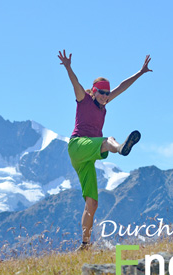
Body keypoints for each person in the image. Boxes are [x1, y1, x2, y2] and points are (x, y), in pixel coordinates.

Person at [57, 50, 152, 251]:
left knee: (92, 202)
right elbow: (75, 84)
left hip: (86, 157)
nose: (105, 96)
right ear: (93, 91)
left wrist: (140, 72)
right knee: (108, 140)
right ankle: (120, 148)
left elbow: (122, 87)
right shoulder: (84, 99)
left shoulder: (104, 103)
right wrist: (68, 67)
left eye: (107, 94)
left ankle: (84, 245)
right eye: (102, 92)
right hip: (78, 145)